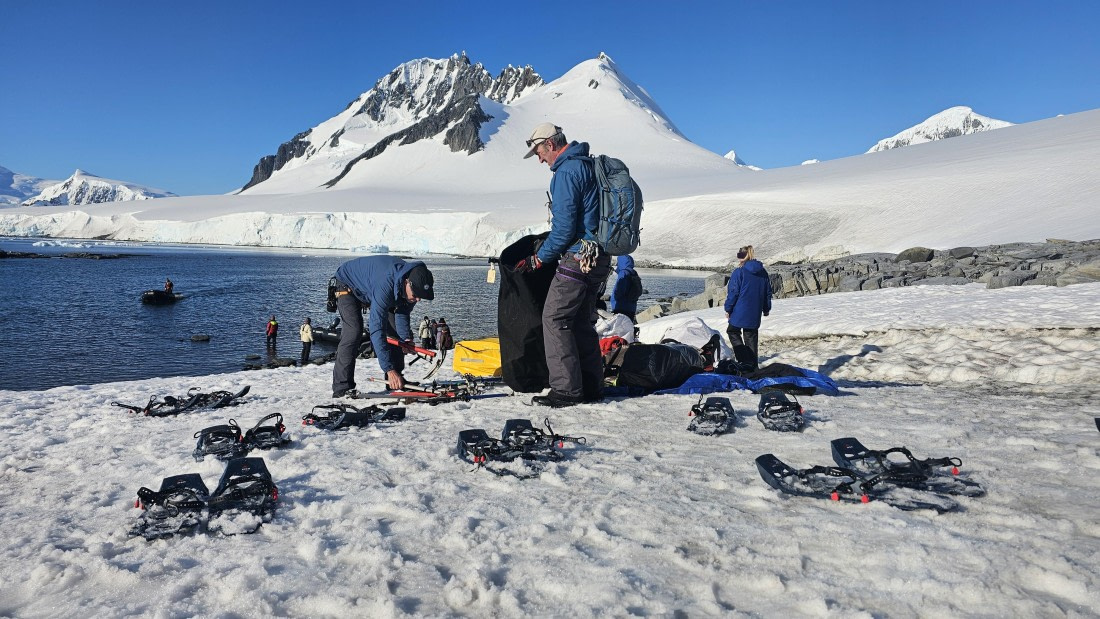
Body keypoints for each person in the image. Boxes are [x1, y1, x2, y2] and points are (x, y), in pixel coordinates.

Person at [517, 122, 612, 407]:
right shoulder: (586, 165)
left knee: (555, 318)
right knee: (581, 320)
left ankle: (567, 390)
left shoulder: (566, 172)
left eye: (538, 151)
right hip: (599, 256)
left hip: (578, 257)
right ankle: (591, 385)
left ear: (550, 144)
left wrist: (538, 259)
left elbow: (564, 229)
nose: (539, 158)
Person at [330, 256, 435, 398]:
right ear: (407, 283)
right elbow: (376, 329)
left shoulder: (415, 283)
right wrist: (388, 368)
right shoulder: (386, 284)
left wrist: (405, 339)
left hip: (375, 288)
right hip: (346, 285)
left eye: (421, 296)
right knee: (353, 332)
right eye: (416, 295)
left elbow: (402, 312)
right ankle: (342, 387)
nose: (418, 299)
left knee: (395, 333)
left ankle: (395, 381)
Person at [724, 245, 772, 361]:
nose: (739, 258)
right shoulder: (763, 272)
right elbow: (767, 292)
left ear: (746, 255)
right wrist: (766, 309)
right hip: (755, 311)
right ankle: (753, 366)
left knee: (732, 331)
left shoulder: (739, 272)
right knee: (751, 336)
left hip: (740, 310)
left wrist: (728, 309)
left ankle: (743, 361)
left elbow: (733, 293)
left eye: (741, 255)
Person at [609, 255, 643, 323]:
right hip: (631, 307)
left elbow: (619, 290)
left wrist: (614, 300)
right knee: (628, 326)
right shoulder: (634, 272)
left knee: (619, 329)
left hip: (621, 306)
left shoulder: (623, 273)